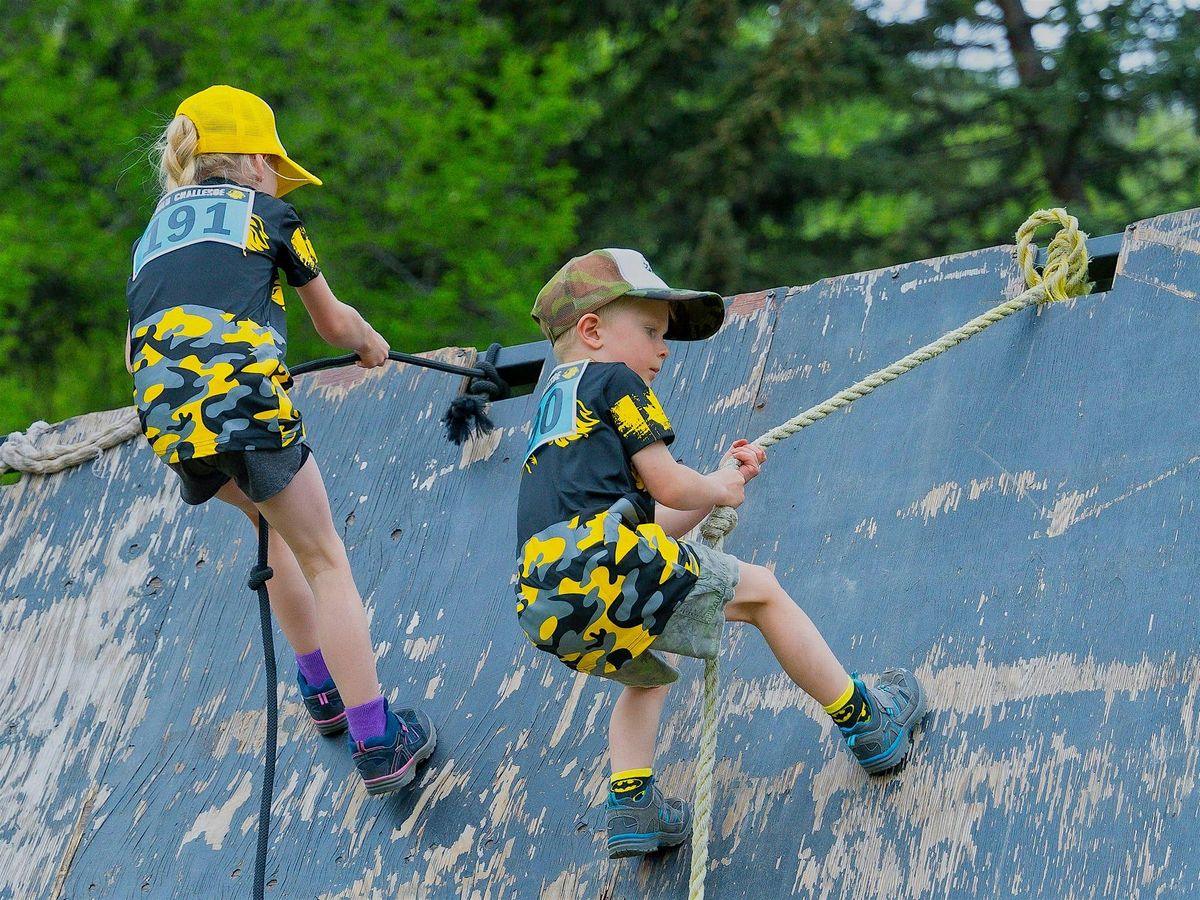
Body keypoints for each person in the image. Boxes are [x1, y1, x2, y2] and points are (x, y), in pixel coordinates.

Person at [514, 248, 928, 859]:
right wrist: (711, 486)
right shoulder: (614, 381)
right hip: (606, 561)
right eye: (652, 330)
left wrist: (720, 481)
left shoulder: (555, 410)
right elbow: (670, 487)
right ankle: (868, 722)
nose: (663, 349)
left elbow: (654, 520)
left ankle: (631, 807)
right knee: (762, 591)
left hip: (544, 597)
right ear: (593, 330)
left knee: (645, 675)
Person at [125, 85, 434, 795]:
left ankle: (321, 691)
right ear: (259, 163)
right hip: (249, 411)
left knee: (274, 530)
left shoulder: (151, 237)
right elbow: (332, 324)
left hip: (171, 423)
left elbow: (136, 343)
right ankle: (377, 741)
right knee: (326, 558)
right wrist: (369, 342)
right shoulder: (269, 216)